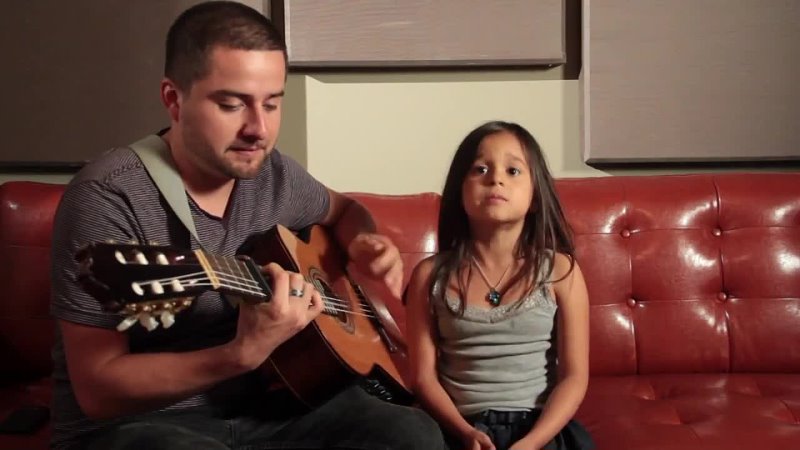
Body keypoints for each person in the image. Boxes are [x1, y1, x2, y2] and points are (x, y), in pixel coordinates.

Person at [49, 2, 446, 449]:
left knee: (413, 434)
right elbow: (98, 391)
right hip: (147, 425)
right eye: (232, 104)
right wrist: (239, 354)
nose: (259, 129)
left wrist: (364, 241)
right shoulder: (109, 197)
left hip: (271, 410)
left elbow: (344, 209)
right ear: (173, 99)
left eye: (272, 104)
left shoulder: (274, 175)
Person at [404, 121, 594, 450]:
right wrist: (465, 432)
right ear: (459, 190)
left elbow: (574, 378)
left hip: (538, 428)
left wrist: (532, 443)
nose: (496, 178)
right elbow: (423, 378)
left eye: (513, 170)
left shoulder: (561, 271)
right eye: (480, 169)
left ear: (536, 196)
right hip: (457, 427)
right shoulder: (429, 276)